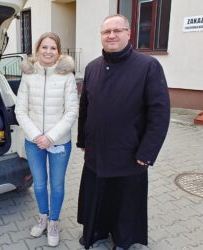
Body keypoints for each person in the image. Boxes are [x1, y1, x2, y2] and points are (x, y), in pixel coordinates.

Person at [76, 14, 170, 250]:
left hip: (130, 153)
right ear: (101, 36)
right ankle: (97, 234)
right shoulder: (92, 67)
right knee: (98, 196)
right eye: (106, 31)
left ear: (129, 33)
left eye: (117, 30)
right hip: (96, 151)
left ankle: (124, 241)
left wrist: (147, 152)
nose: (111, 35)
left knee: (126, 201)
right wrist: (82, 140)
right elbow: (85, 107)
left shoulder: (148, 66)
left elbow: (159, 114)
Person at [15, 32, 78, 247]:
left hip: (59, 142)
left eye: (53, 48)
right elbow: (20, 110)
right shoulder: (28, 75)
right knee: (40, 185)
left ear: (59, 52)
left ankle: (54, 222)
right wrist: (37, 137)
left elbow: (71, 111)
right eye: (44, 47)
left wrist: (50, 137)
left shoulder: (66, 76)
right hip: (34, 143)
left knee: (57, 185)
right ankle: (42, 217)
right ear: (37, 49)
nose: (48, 51)